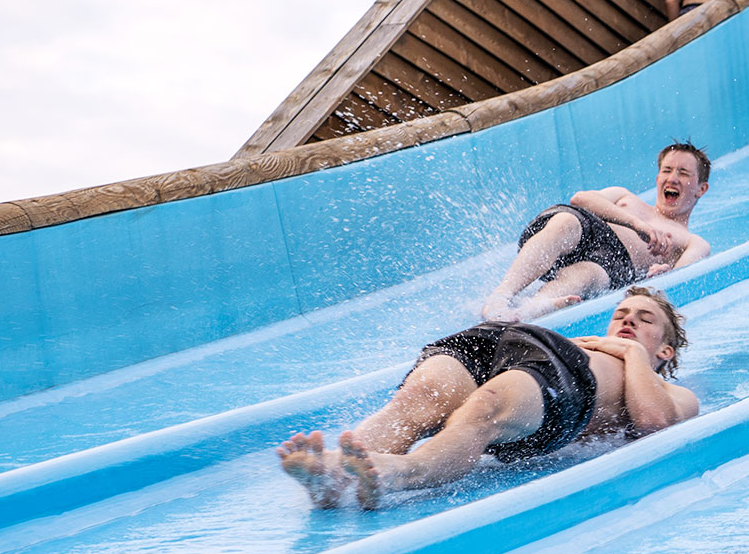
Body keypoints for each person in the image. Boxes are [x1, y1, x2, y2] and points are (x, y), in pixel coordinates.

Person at [279, 287, 699, 509]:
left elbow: (654, 422)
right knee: (418, 398)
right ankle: (333, 475)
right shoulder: (593, 345)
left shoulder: (669, 389)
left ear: (666, 351)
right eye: (621, 314)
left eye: (645, 320)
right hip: (520, 342)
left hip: (564, 376)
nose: (628, 321)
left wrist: (632, 353)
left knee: (486, 407)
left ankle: (398, 474)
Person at [481, 141, 712, 322]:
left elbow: (681, 278)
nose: (672, 178)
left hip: (615, 263)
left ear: (702, 188)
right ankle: (500, 297)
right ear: (658, 177)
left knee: (589, 274)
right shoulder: (625, 196)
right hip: (583, 230)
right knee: (565, 222)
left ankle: (530, 309)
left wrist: (664, 273)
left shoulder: (692, 241)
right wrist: (637, 224)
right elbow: (580, 199)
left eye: (683, 173)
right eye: (667, 170)